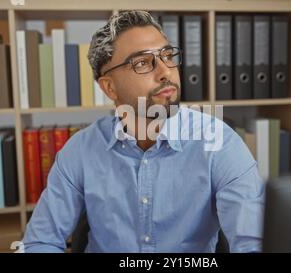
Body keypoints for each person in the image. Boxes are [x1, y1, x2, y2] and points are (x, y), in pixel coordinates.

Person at [22, 10, 265, 253]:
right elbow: (41, 242)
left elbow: (253, 243)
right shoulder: (79, 152)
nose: (165, 72)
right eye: (142, 63)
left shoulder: (219, 143)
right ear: (110, 87)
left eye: (168, 56)